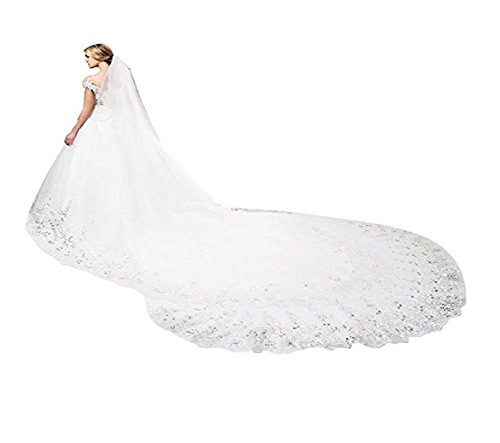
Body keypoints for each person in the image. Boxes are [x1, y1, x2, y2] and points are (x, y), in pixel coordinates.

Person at [25, 43, 466, 353]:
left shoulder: (91, 81)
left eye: (89, 56)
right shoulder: (120, 79)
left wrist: (73, 131)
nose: (86, 61)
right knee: (124, 182)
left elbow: (86, 111)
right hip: (120, 139)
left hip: (100, 137)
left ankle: (102, 224)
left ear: (100, 59)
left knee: (101, 184)